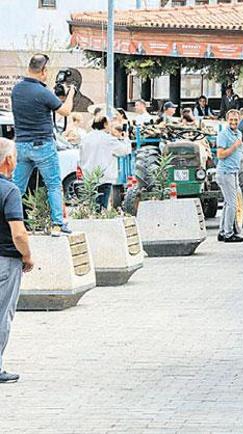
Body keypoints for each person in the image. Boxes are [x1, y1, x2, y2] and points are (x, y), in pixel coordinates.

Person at [10, 53, 76, 236]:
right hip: (43, 145)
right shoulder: (42, 92)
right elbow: (65, 111)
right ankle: (57, 224)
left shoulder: (16, 90)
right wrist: (70, 94)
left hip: (21, 145)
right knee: (54, 184)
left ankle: (6, 223)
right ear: (43, 70)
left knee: (17, 187)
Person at [0, 137, 33, 384]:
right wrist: (28, 256)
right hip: (5, 261)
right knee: (2, 314)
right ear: (8, 161)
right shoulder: (9, 190)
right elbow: (19, 233)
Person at [78, 116, 131, 210]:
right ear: (105, 124)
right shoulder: (108, 139)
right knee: (102, 207)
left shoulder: (85, 138)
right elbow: (125, 151)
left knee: (91, 206)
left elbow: (81, 157)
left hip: (88, 177)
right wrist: (126, 138)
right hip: (104, 177)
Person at [216, 109, 243, 243]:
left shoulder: (239, 133)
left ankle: (223, 231)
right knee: (232, 204)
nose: (234, 122)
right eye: (231, 120)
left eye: (236, 120)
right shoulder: (223, 135)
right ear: (227, 120)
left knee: (228, 203)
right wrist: (234, 146)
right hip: (225, 172)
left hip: (234, 171)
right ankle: (228, 233)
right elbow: (220, 155)